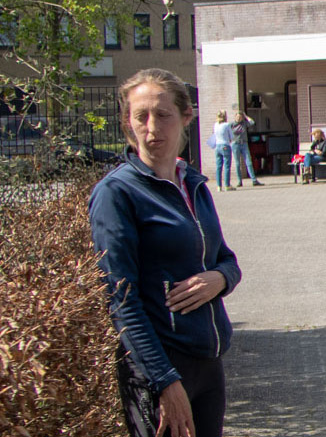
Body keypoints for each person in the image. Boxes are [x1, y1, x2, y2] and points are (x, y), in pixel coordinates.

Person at [90, 68, 243, 437]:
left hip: (208, 363)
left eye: (162, 115)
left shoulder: (193, 185)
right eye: (140, 116)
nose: (151, 127)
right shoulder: (117, 193)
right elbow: (120, 300)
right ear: (128, 122)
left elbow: (226, 259)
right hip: (159, 368)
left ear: (186, 116)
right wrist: (163, 381)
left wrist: (220, 279)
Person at [229, 111, 263, 187]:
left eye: (240, 117)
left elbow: (252, 122)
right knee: (238, 163)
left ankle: (254, 180)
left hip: (244, 143)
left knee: (249, 162)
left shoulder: (244, 123)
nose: (239, 118)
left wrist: (246, 116)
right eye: (237, 117)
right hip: (235, 144)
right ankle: (239, 181)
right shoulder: (231, 125)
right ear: (235, 117)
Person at [210, 112, 235, 191]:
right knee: (227, 166)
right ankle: (227, 185)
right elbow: (232, 136)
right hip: (225, 145)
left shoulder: (215, 125)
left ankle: (218, 186)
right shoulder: (227, 125)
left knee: (218, 167)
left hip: (217, 146)